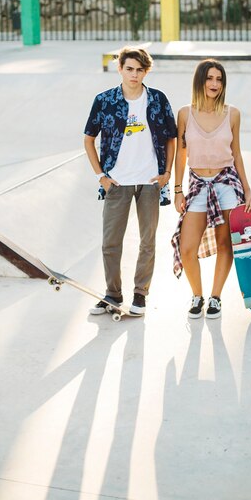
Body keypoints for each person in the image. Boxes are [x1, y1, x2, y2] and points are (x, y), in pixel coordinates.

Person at [84, 46, 177, 316]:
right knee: (110, 242)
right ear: (120, 69)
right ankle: (112, 294)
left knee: (147, 241)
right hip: (117, 182)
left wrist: (167, 173)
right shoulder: (104, 100)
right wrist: (101, 175)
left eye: (139, 70)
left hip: (150, 182)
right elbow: (88, 139)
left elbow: (171, 137)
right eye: (129, 69)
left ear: (146, 71)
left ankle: (140, 295)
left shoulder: (157, 99)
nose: (134, 75)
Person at [171, 58, 251, 319]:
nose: (215, 83)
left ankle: (215, 298)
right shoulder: (185, 113)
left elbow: (237, 154)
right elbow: (181, 154)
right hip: (198, 185)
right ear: (200, 80)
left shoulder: (232, 114)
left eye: (219, 79)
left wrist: (248, 190)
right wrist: (177, 190)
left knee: (225, 245)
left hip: (227, 184)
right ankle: (197, 296)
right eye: (209, 78)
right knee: (187, 247)